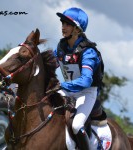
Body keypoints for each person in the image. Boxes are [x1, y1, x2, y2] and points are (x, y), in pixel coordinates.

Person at [54, 7, 105, 150]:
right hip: (69, 90)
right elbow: (51, 64)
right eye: (62, 23)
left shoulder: (88, 52)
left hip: (87, 92)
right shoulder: (62, 46)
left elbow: (86, 81)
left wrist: (62, 86)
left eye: (67, 24)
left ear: (77, 29)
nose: (63, 27)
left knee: (76, 125)